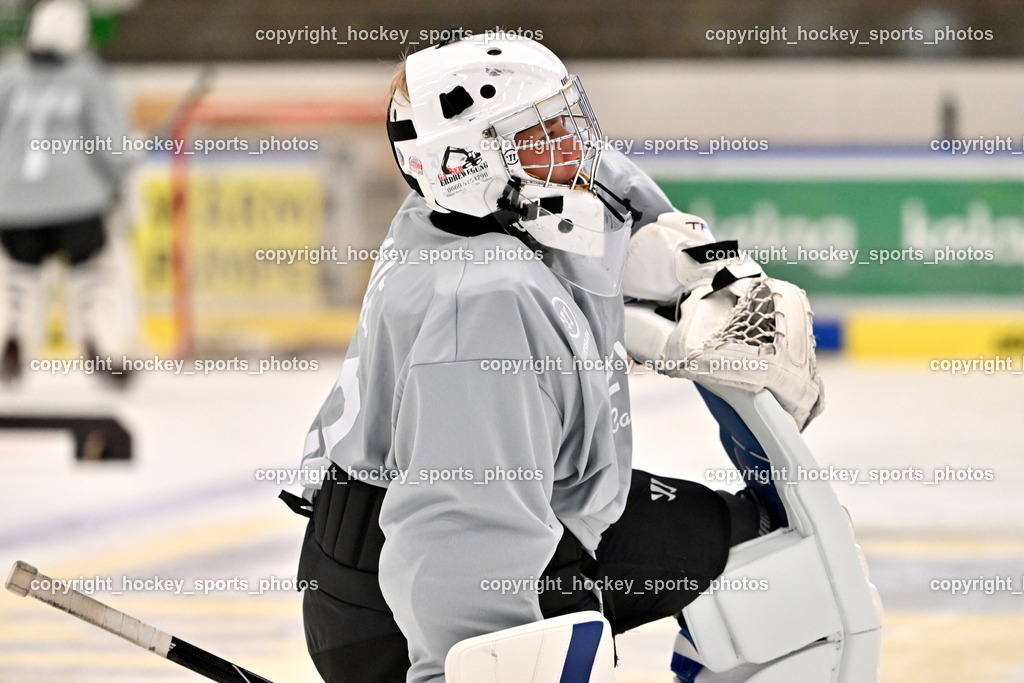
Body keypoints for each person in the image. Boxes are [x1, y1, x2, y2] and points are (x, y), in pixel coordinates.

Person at [284, 33, 832, 683]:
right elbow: (459, 531)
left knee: (759, 541)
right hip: (405, 607)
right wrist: (470, 665)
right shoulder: (485, 302)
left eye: (566, 122)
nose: (576, 149)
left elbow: (604, 197)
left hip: (492, 524)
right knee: (783, 566)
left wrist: (680, 251)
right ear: (466, 161)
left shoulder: (472, 209)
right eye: (543, 134)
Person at [0, 0, 135, 385]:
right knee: (94, 276)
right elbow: (110, 145)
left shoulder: (7, 76)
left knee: (16, 280)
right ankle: (102, 342)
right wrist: (123, 172)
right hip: (78, 201)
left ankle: (11, 338)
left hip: (13, 204)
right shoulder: (90, 77)